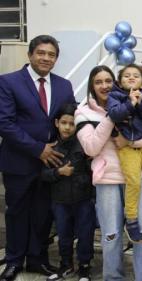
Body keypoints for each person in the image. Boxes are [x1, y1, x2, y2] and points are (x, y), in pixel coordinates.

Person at [0, 34, 76, 280]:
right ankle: (13, 260)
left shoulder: (64, 85)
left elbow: (69, 120)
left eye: (51, 54)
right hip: (19, 161)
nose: (46, 58)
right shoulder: (8, 82)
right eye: (41, 53)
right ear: (30, 54)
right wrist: (37, 149)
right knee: (17, 212)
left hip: (52, 163)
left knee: (43, 214)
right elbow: (5, 123)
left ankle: (37, 259)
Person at [75, 65, 142, 281]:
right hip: (108, 179)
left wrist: (130, 139)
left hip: (135, 177)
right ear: (92, 87)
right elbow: (91, 148)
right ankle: (113, 278)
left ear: (116, 83)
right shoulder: (83, 111)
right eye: (98, 82)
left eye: (108, 81)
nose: (104, 85)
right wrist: (112, 117)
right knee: (111, 236)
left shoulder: (134, 99)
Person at [107, 64, 142, 243]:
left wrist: (139, 103)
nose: (131, 78)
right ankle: (131, 220)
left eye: (136, 76)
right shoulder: (114, 96)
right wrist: (130, 103)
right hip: (126, 147)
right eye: (126, 76)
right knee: (134, 181)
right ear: (119, 81)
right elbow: (115, 115)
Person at [40, 104, 94, 281]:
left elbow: (92, 171)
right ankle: (66, 265)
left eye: (71, 124)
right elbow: (43, 174)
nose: (67, 127)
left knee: (85, 234)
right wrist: (59, 172)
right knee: (63, 234)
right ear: (56, 123)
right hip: (59, 200)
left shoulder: (85, 146)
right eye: (63, 122)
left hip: (83, 199)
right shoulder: (51, 148)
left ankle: (84, 266)